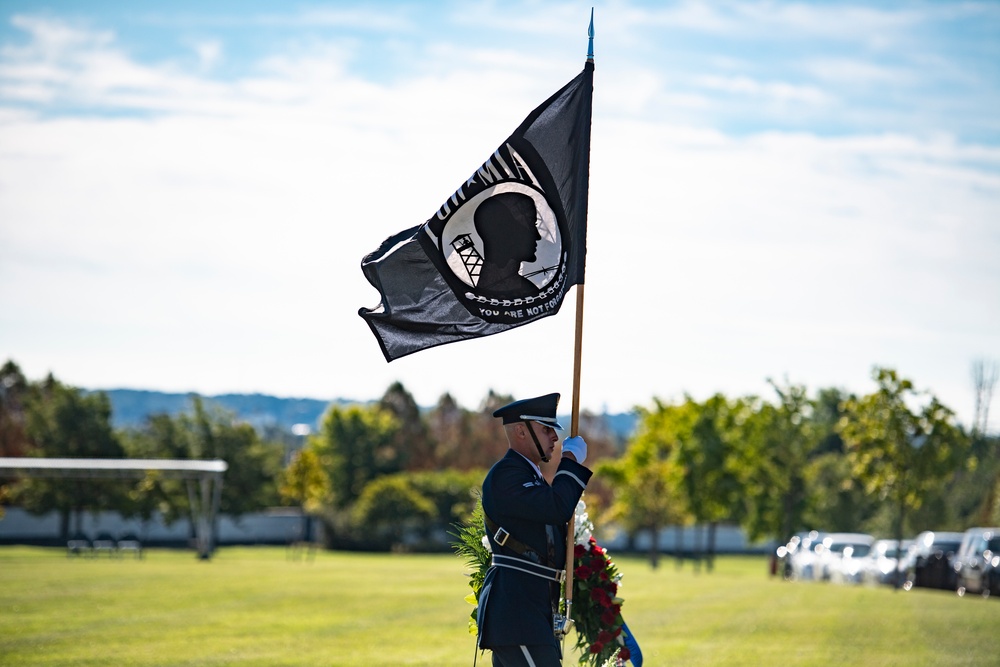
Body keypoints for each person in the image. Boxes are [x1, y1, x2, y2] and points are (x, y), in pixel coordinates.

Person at [477, 393, 591, 666]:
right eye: (546, 428)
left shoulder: (529, 475)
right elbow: (555, 507)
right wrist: (571, 460)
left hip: (529, 613)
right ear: (520, 431)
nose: (554, 437)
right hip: (519, 613)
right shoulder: (507, 474)